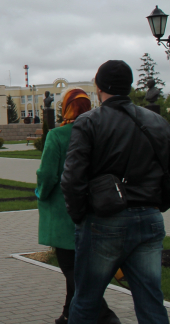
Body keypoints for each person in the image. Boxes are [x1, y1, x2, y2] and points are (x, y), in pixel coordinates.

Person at [62, 60, 170, 324]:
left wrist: (80, 216)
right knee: (151, 302)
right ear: (129, 87)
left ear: (99, 87)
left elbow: (73, 178)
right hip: (148, 219)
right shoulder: (156, 121)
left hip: (103, 220)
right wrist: (156, 203)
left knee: (86, 301)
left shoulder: (89, 122)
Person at [37, 88, 119, 324]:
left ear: (66, 108)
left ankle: (105, 315)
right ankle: (67, 314)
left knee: (72, 268)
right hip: (95, 207)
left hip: (63, 211)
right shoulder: (100, 132)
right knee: (80, 267)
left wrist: (41, 193)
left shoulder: (57, 135)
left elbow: (47, 174)